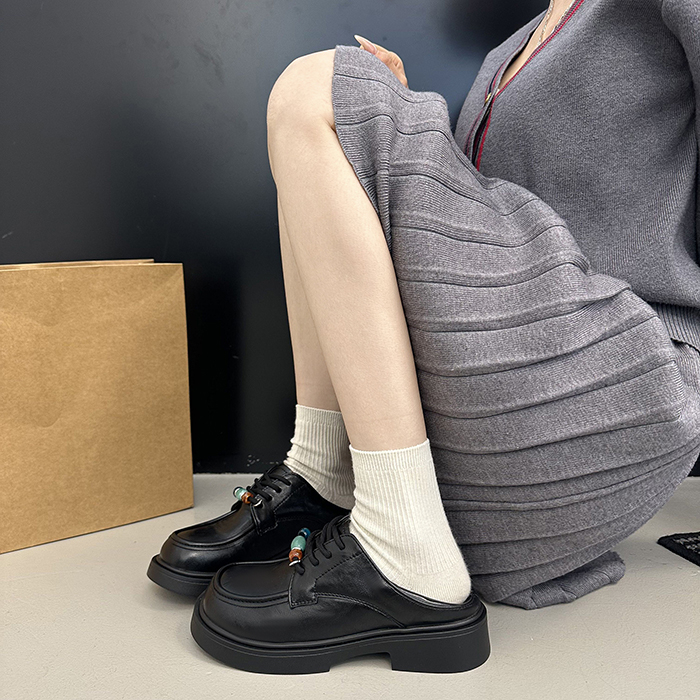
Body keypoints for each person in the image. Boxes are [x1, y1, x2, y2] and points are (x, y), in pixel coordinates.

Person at [148, 0, 700, 673]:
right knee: (332, 136)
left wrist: (360, 111)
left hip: (623, 381)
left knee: (315, 90)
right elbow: (502, 236)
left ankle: (401, 553)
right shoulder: (508, 52)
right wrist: (386, 138)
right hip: (520, 378)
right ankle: (330, 479)